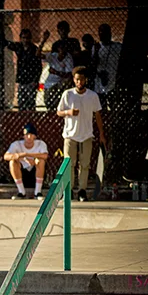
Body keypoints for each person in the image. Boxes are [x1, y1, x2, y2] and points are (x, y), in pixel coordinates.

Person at [57, 66, 106, 201]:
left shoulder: (92, 95)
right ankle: (69, 190)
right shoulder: (68, 94)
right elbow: (59, 112)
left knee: (84, 164)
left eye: (82, 79)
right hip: (70, 135)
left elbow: (98, 115)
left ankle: (82, 190)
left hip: (86, 134)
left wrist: (101, 134)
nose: (79, 82)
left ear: (86, 80)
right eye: (77, 79)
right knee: (68, 164)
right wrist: (69, 112)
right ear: (74, 80)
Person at [4, 122, 49, 200]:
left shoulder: (40, 144)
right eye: (26, 135)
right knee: (12, 162)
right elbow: (6, 156)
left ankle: (38, 192)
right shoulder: (16, 144)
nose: (28, 137)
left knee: (40, 161)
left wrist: (28, 155)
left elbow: (45, 156)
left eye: (31, 135)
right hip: (22, 174)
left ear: (35, 136)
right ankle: (21, 192)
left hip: (35, 174)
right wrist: (19, 156)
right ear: (23, 136)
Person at [4, 28, 42, 111]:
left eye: (27, 38)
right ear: (21, 38)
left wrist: (36, 81)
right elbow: (7, 44)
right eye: (23, 38)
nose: (25, 40)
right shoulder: (19, 46)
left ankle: (31, 118)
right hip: (22, 79)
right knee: (21, 101)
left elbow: (39, 67)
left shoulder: (34, 49)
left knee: (31, 102)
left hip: (31, 80)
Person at [39, 33, 74, 111]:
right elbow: (38, 55)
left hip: (60, 84)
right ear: (58, 49)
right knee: (48, 102)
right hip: (49, 84)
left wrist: (56, 72)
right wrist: (43, 40)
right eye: (61, 49)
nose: (63, 51)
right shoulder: (53, 56)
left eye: (65, 48)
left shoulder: (68, 58)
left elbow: (68, 75)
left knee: (66, 82)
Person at [93, 24, 123, 110]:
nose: (102, 35)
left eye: (105, 33)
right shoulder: (96, 47)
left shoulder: (118, 47)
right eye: (100, 33)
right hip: (100, 81)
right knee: (101, 107)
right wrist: (96, 51)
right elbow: (94, 64)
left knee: (114, 106)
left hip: (113, 80)